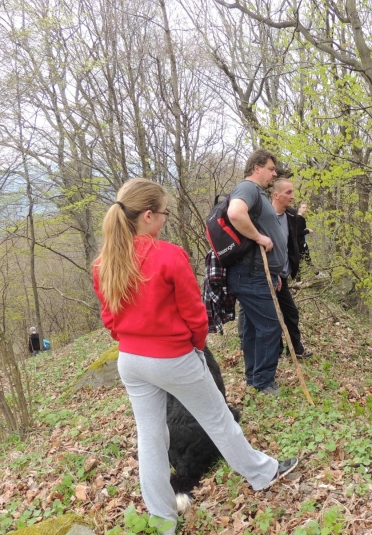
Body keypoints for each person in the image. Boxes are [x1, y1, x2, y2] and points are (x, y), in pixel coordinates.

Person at [92, 178, 297, 533]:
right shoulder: (168, 255)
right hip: (173, 357)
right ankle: (265, 473)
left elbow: (110, 318)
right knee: (218, 418)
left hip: (131, 361)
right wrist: (195, 345)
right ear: (147, 215)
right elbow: (195, 313)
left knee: (151, 437)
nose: (164, 221)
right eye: (163, 214)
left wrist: (134, 340)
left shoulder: (104, 262)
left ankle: (161, 517)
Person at [225, 149, 287, 395]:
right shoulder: (248, 188)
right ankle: (263, 382)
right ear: (256, 168)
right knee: (270, 327)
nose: (274, 174)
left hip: (258, 273)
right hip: (251, 274)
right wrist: (259, 237)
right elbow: (235, 213)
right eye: (271, 169)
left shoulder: (256, 192)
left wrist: (276, 273)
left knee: (253, 326)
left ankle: (254, 377)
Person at [270, 178, 313, 360]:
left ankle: (295, 350)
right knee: (272, 316)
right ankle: (277, 352)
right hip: (268, 275)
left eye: (293, 192)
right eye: (288, 193)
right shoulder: (265, 217)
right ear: (276, 195)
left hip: (284, 276)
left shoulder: (292, 217)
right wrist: (273, 273)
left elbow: (293, 241)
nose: (293, 197)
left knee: (290, 313)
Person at [295, 202, 313, 267]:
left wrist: (305, 229)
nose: (305, 209)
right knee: (307, 259)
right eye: (303, 207)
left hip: (298, 243)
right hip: (301, 243)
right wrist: (308, 231)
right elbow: (298, 232)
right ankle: (316, 273)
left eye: (306, 208)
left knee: (302, 260)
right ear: (299, 208)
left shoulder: (296, 217)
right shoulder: (300, 219)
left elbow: (299, 229)